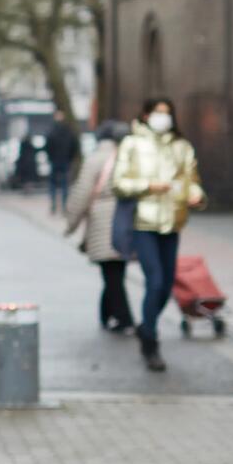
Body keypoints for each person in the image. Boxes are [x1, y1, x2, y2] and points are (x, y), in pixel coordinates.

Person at [112, 97, 206, 372]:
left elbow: (193, 180)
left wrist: (196, 196)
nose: (162, 118)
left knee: (165, 285)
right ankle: (150, 341)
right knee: (154, 281)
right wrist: (149, 185)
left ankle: (146, 323)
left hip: (172, 222)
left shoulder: (181, 146)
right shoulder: (132, 144)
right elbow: (119, 183)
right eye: (157, 112)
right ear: (145, 114)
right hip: (144, 222)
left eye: (167, 113)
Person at [62, 121, 134, 334]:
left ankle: (124, 318)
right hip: (127, 220)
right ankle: (108, 315)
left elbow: (82, 192)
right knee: (115, 271)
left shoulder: (96, 159)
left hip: (103, 221)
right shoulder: (131, 157)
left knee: (111, 272)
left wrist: (71, 223)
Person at [45, 109, 79, 215]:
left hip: (55, 160)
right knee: (64, 184)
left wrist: (50, 157)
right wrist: (70, 158)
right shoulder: (68, 130)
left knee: (53, 184)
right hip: (65, 160)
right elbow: (74, 145)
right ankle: (64, 206)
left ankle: (54, 205)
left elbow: (48, 146)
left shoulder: (52, 130)